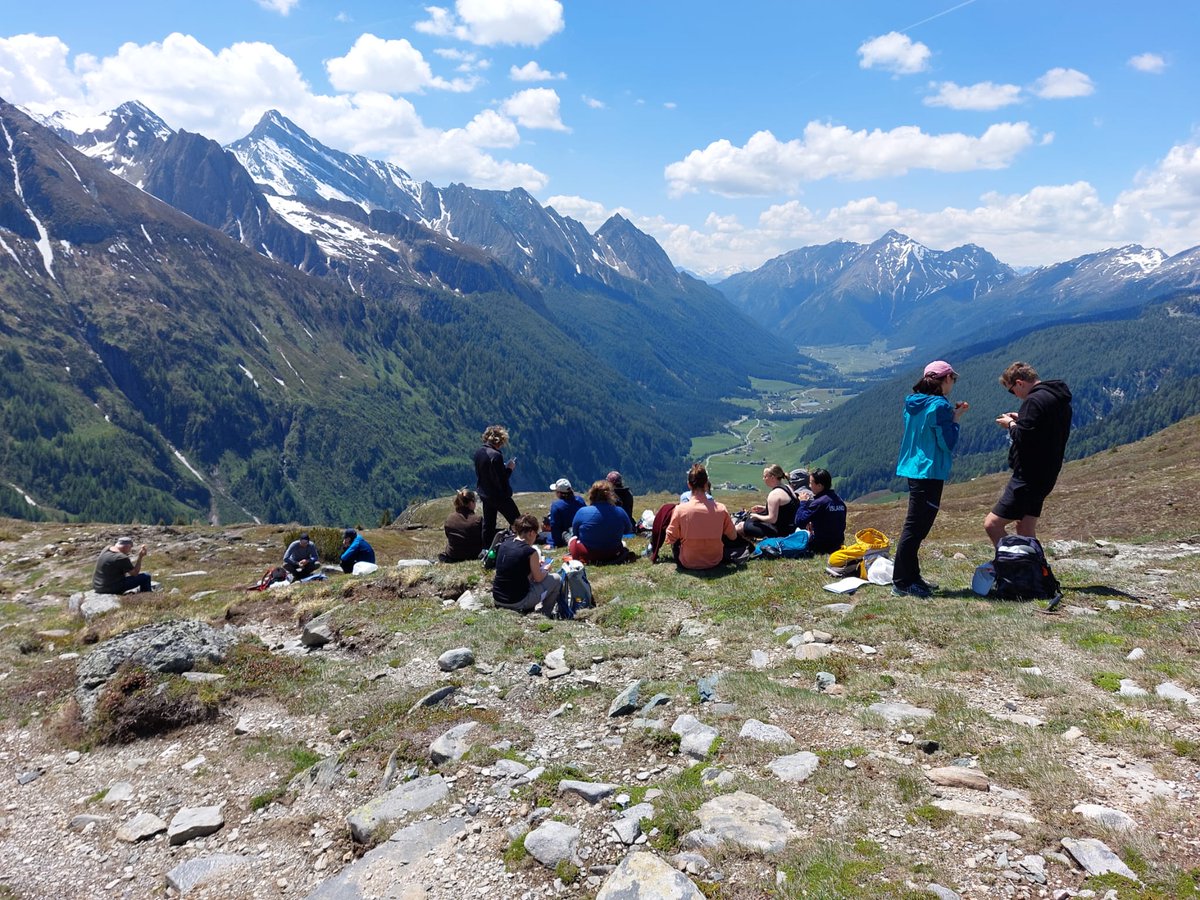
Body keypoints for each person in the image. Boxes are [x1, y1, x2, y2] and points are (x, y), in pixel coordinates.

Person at [891, 360, 970, 598]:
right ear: (945, 380)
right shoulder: (939, 406)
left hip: (913, 467)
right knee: (916, 528)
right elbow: (947, 443)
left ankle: (912, 577)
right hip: (929, 470)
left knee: (915, 527)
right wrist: (956, 419)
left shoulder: (912, 403)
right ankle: (903, 582)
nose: (952, 384)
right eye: (952, 380)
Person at [984, 362, 1073, 546]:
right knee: (1025, 527)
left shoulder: (1032, 401)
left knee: (992, 524)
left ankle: (1014, 566)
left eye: (1012, 390)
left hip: (1027, 476)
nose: (1015, 395)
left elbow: (1022, 437)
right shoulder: (1056, 397)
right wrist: (1022, 419)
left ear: (1020, 383)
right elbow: (1043, 429)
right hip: (1047, 473)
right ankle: (1034, 568)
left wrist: (1010, 424)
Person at [664, 464, 737, 571]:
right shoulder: (721, 509)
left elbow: (669, 539)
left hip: (688, 562)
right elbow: (733, 536)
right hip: (715, 560)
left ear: (689, 485)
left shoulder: (680, 510)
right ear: (706, 485)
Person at [491, 514, 564, 614]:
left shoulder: (504, 544)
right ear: (531, 533)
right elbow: (538, 578)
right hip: (517, 602)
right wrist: (546, 569)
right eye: (536, 534)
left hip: (498, 598)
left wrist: (534, 566)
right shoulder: (530, 552)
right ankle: (545, 613)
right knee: (556, 579)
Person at [474, 425, 519, 550]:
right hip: (499, 496)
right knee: (518, 521)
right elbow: (502, 479)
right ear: (500, 440)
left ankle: (486, 549)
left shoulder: (479, 452)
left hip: (485, 494)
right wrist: (509, 468)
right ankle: (524, 544)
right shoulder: (496, 456)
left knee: (488, 524)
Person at [568, 480, 635, 563]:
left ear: (591, 495)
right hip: (613, 553)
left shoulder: (582, 511)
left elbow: (575, 533)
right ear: (610, 495)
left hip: (588, 555)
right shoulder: (620, 511)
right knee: (623, 543)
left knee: (572, 540)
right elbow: (628, 530)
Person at [736, 464, 800, 539]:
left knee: (740, 526)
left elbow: (772, 519)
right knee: (750, 522)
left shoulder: (774, 494)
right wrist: (764, 508)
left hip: (779, 532)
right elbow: (785, 509)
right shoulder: (788, 487)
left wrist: (756, 516)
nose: (763, 479)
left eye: (765, 476)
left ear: (772, 477)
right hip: (790, 528)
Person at [794, 469, 847, 554]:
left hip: (821, 546)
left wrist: (803, 502)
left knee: (797, 531)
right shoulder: (839, 500)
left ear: (819, 486)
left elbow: (799, 521)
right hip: (838, 544)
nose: (809, 486)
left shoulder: (819, 502)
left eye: (811, 483)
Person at [440, 489, 484, 562]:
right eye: (474, 501)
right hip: (474, 555)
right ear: (471, 502)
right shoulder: (478, 519)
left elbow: (448, 536)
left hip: (453, 555)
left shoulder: (450, 518)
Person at [547, 478, 585, 547]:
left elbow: (555, 526)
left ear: (559, 493)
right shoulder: (580, 500)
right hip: (582, 534)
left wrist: (554, 544)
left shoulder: (556, 505)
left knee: (544, 536)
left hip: (567, 536)